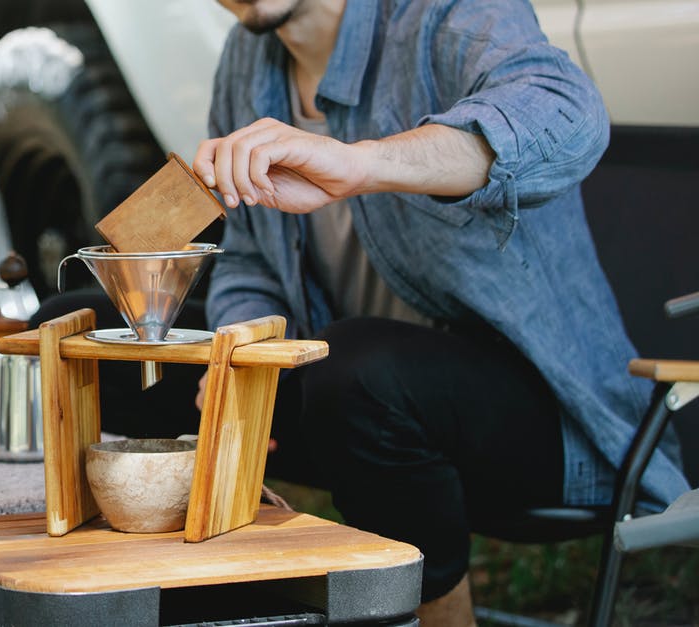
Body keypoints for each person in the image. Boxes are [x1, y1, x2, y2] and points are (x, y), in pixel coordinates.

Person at [184, 0, 691, 623]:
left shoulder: (446, 12)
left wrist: (364, 163)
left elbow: (569, 112)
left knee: (360, 373)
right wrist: (240, 346)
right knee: (109, 330)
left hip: (544, 420)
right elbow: (250, 257)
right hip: (352, 415)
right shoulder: (247, 60)